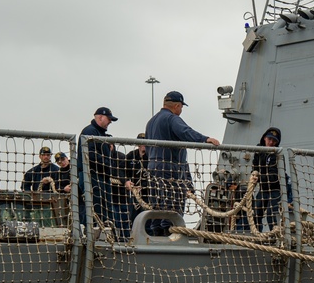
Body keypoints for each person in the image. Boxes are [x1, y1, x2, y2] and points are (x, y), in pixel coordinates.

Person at [144, 91, 221, 235]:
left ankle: (157, 238)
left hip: (153, 168)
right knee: (172, 206)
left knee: (158, 206)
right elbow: (185, 132)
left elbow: (147, 147)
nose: (181, 110)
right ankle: (170, 237)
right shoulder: (171, 119)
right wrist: (205, 139)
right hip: (169, 168)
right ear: (177, 105)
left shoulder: (151, 122)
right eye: (181, 107)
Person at [79, 107, 127, 237]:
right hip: (93, 176)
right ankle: (93, 238)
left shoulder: (100, 134)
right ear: (100, 117)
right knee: (96, 209)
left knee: (105, 211)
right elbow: (91, 156)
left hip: (101, 176)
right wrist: (108, 162)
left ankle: (103, 237)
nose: (110, 122)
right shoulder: (90, 132)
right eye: (109, 119)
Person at [252, 127, 284, 232]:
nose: (271, 142)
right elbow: (255, 165)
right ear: (265, 138)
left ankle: (274, 237)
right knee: (256, 213)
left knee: (272, 214)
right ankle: (257, 236)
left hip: (274, 190)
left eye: (274, 141)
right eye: (269, 139)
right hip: (264, 189)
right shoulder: (259, 151)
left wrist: (259, 177)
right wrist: (254, 174)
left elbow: (273, 176)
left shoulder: (277, 155)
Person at [124, 133, 149, 227]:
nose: (144, 146)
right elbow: (122, 170)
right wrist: (126, 181)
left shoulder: (151, 157)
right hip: (135, 193)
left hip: (148, 193)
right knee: (134, 217)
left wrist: (144, 186)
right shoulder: (131, 156)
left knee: (147, 218)